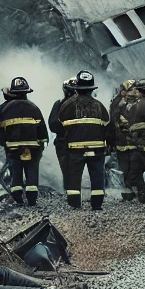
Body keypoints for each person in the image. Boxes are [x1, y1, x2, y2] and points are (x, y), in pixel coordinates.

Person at [51, 71, 110, 210]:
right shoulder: (99, 105)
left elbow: (57, 124)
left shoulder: (67, 105)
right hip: (96, 148)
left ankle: (74, 203)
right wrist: (108, 143)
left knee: (74, 176)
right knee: (97, 176)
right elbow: (108, 126)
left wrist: (67, 136)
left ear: (76, 88)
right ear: (92, 89)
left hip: (75, 148)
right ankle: (97, 204)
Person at [0, 77, 49, 205]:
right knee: (32, 171)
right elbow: (41, 128)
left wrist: (5, 144)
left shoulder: (3, 109)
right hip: (32, 147)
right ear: (26, 92)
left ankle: (18, 198)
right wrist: (42, 143)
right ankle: (32, 200)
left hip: (13, 148)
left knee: (16, 172)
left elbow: (0, 130)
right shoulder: (34, 107)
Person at [110, 79, 140, 201]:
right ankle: (129, 191)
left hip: (131, 141)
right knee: (126, 168)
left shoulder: (138, 103)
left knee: (133, 167)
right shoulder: (118, 103)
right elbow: (112, 122)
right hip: (124, 141)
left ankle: (132, 191)